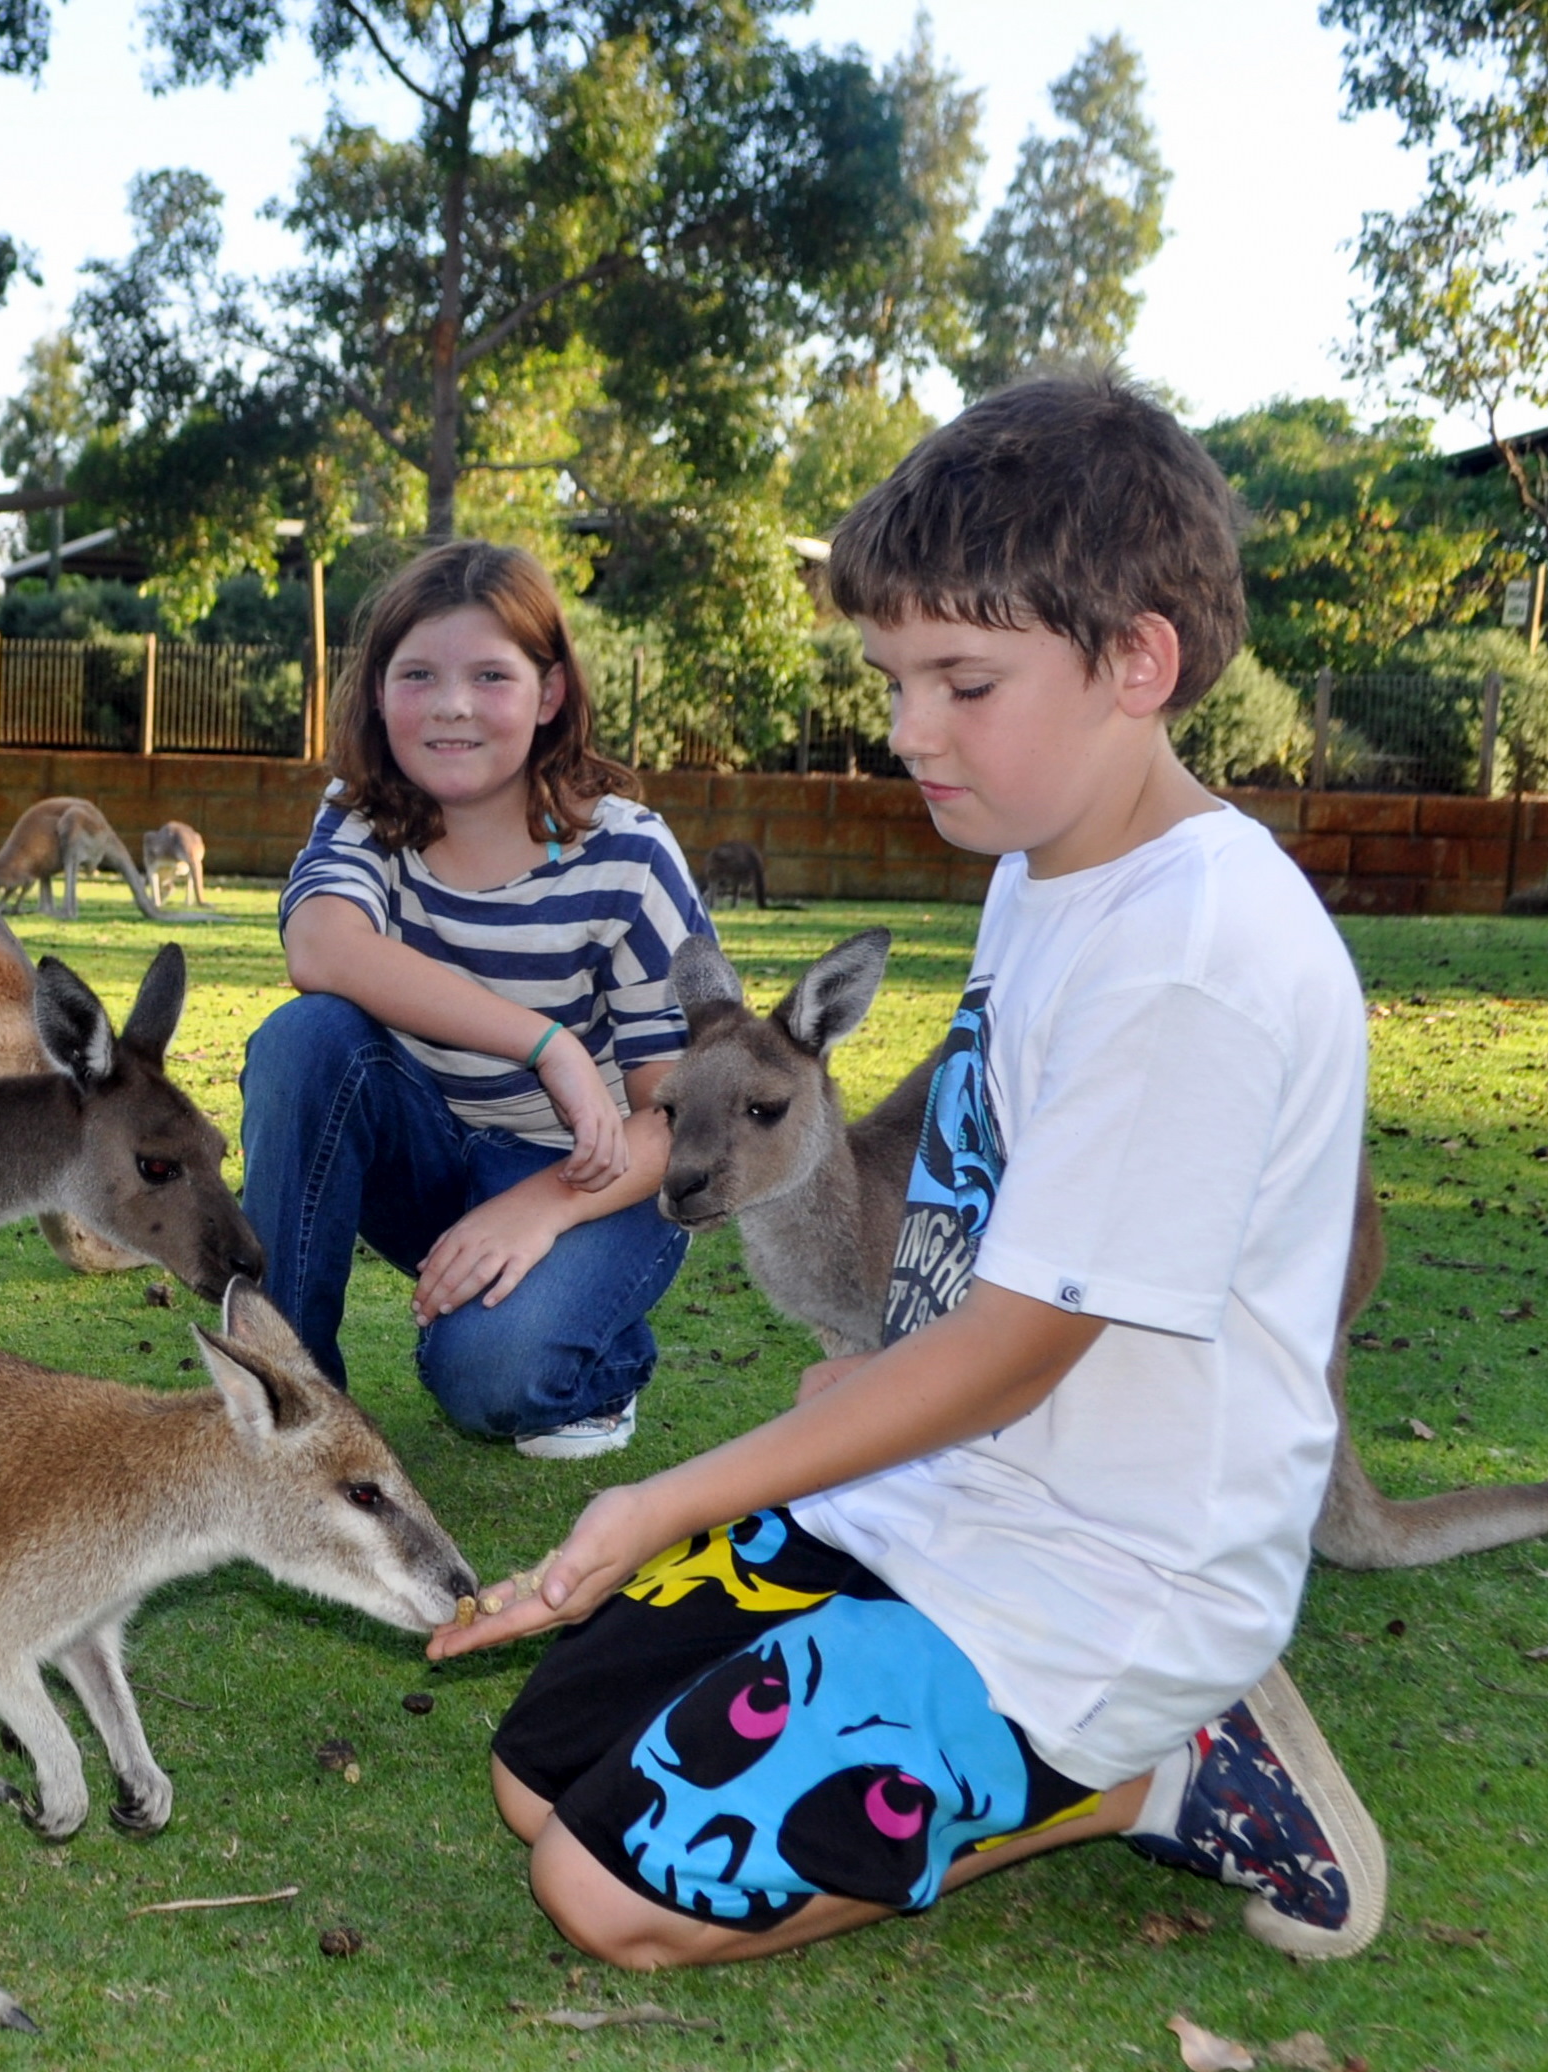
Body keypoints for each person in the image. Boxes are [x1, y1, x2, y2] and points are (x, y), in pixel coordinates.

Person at [430, 371, 1390, 1965]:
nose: (904, 731)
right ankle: (978, 1713)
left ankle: (1154, 1763)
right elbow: (978, 1241)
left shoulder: (1192, 958)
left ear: (1136, 662)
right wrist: (851, 1407)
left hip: (1102, 1582)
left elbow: (1014, 1352)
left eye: (960, 680)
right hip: (945, 1494)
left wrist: (664, 1496)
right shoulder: (1042, 865)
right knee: (535, 1780)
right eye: (891, 678)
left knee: (600, 1893)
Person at [241, 540, 707, 1459]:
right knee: (305, 1040)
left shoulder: (628, 855)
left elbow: (686, 1116)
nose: (451, 705)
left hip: (594, 1175)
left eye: (490, 675)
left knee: (488, 1383)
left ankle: (602, 1358)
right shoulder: (364, 812)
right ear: (378, 693)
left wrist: (539, 1206)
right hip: (433, 1153)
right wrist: (549, 1044)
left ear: (550, 694)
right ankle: (286, 1402)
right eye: (418, 674)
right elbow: (320, 947)